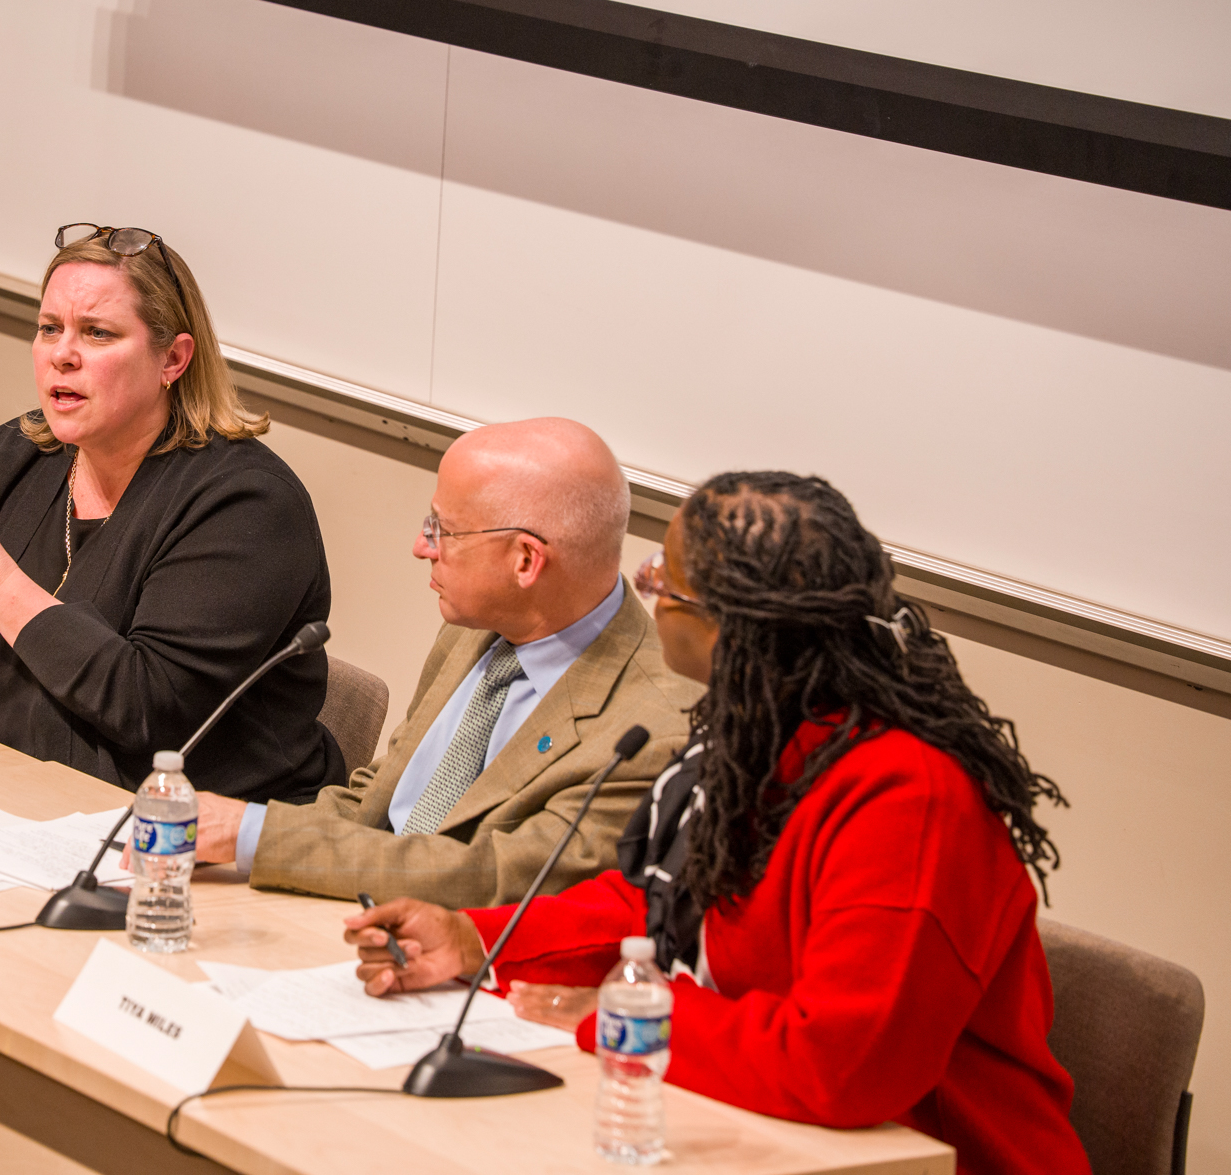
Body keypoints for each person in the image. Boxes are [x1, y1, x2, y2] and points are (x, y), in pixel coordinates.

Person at [345, 472, 1087, 1175]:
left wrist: (615, 1014)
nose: (647, 591)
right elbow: (659, 908)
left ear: (733, 628)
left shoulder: (909, 798)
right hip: (742, 1127)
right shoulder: (753, 739)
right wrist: (477, 940)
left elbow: (840, 1068)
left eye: (664, 583)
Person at [0, 224, 341, 802]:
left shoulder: (247, 505)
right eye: (49, 329)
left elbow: (153, 713)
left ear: (172, 359)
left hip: (159, 836)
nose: (62, 355)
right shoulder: (19, 454)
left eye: (97, 334)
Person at [192, 418, 700, 906]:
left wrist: (254, 837)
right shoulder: (475, 628)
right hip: (349, 913)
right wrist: (229, 833)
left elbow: (498, 878)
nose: (421, 547)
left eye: (444, 531)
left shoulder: (657, 730)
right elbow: (379, 804)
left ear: (526, 560)